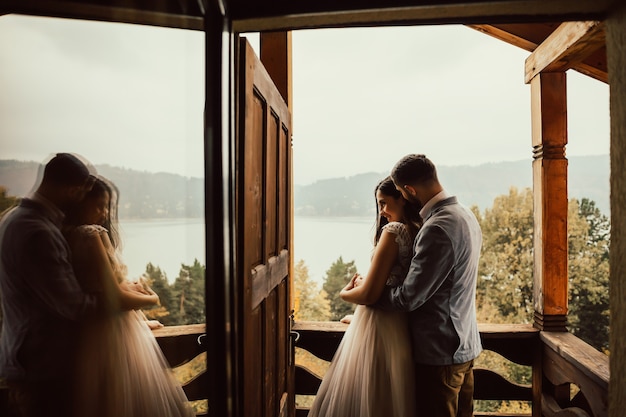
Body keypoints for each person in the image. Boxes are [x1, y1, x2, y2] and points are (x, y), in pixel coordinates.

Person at [63, 175, 195, 417]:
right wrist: (152, 299)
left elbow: (101, 288)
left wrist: (143, 321)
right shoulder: (92, 235)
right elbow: (115, 298)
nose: (104, 213)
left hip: (91, 333)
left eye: (107, 206)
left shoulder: (67, 235)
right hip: (112, 332)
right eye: (99, 205)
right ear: (81, 203)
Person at [0, 153, 113, 417]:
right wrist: (122, 304)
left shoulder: (13, 218)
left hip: (26, 360)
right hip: (42, 369)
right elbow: (76, 307)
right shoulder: (38, 231)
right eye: (81, 191)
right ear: (72, 189)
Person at [374, 154, 483, 417]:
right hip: (464, 345)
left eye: (400, 191)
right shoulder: (465, 215)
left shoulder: (437, 227)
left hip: (439, 353)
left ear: (409, 190)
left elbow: (408, 298)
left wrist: (371, 294)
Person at [308, 176, 422, 417]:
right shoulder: (418, 232)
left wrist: (346, 292)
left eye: (383, 203)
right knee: (386, 396)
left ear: (402, 199)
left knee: (366, 393)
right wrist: (359, 317)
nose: (381, 212)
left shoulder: (394, 231)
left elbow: (370, 294)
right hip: (397, 327)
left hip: (381, 327)